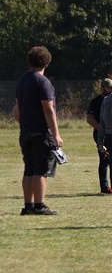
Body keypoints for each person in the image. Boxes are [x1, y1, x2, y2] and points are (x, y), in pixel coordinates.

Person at [13, 46, 63, 215]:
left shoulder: (22, 81)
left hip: (25, 131)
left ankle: (28, 206)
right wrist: (56, 134)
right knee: (40, 170)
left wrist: (26, 123)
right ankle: (39, 205)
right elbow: (48, 109)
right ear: (47, 62)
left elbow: (16, 111)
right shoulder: (43, 82)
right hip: (41, 132)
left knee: (29, 168)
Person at [86, 78, 112, 194]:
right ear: (103, 88)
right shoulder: (96, 101)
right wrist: (101, 129)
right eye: (109, 88)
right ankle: (104, 187)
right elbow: (89, 119)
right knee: (104, 160)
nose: (111, 90)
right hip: (100, 135)